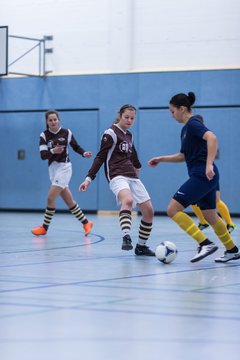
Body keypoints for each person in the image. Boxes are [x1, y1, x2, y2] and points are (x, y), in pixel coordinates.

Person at [148, 92, 240, 263]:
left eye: (172, 111)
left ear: (182, 109)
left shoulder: (193, 124)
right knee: (211, 216)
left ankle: (205, 243)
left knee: (172, 209)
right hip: (204, 175)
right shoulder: (185, 130)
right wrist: (161, 159)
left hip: (202, 175)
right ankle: (232, 250)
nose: (171, 115)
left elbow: (212, 137)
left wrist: (209, 164)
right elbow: (183, 155)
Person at [79, 104, 155, 256]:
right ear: (120, 115)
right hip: (116, 175)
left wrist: (138, 167)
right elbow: (100, 157)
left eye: (132, 118)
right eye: (126, 117)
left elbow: (132, 154)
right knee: (127, 200)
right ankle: (126, 237)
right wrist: (88, 179)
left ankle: (141, 246)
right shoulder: (110, 133)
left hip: (131, 176)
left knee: (149, 211)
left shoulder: (129, 135)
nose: (129, 120)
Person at [31, 110, 93, 237]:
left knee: (50, 198)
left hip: (64, 168)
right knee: (69, 201)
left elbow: (76, 146)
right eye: (50, 120)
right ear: (47, 122)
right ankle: (86, 222)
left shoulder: (67, 132)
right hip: (52, 169)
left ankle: (44, 227)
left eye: (55, 119)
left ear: (59, 120)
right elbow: (43, 156)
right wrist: (53, 150)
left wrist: (84, 153)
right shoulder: (44, 135)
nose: (53, 122)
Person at [190, 115, 236, 233]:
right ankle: (203, 222)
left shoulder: (207, 137)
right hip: (198, 173)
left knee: (216, 200)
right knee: (193, 200)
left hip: (208, 173)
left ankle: (230, 224)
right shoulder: (194, 137)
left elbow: (215, 152)